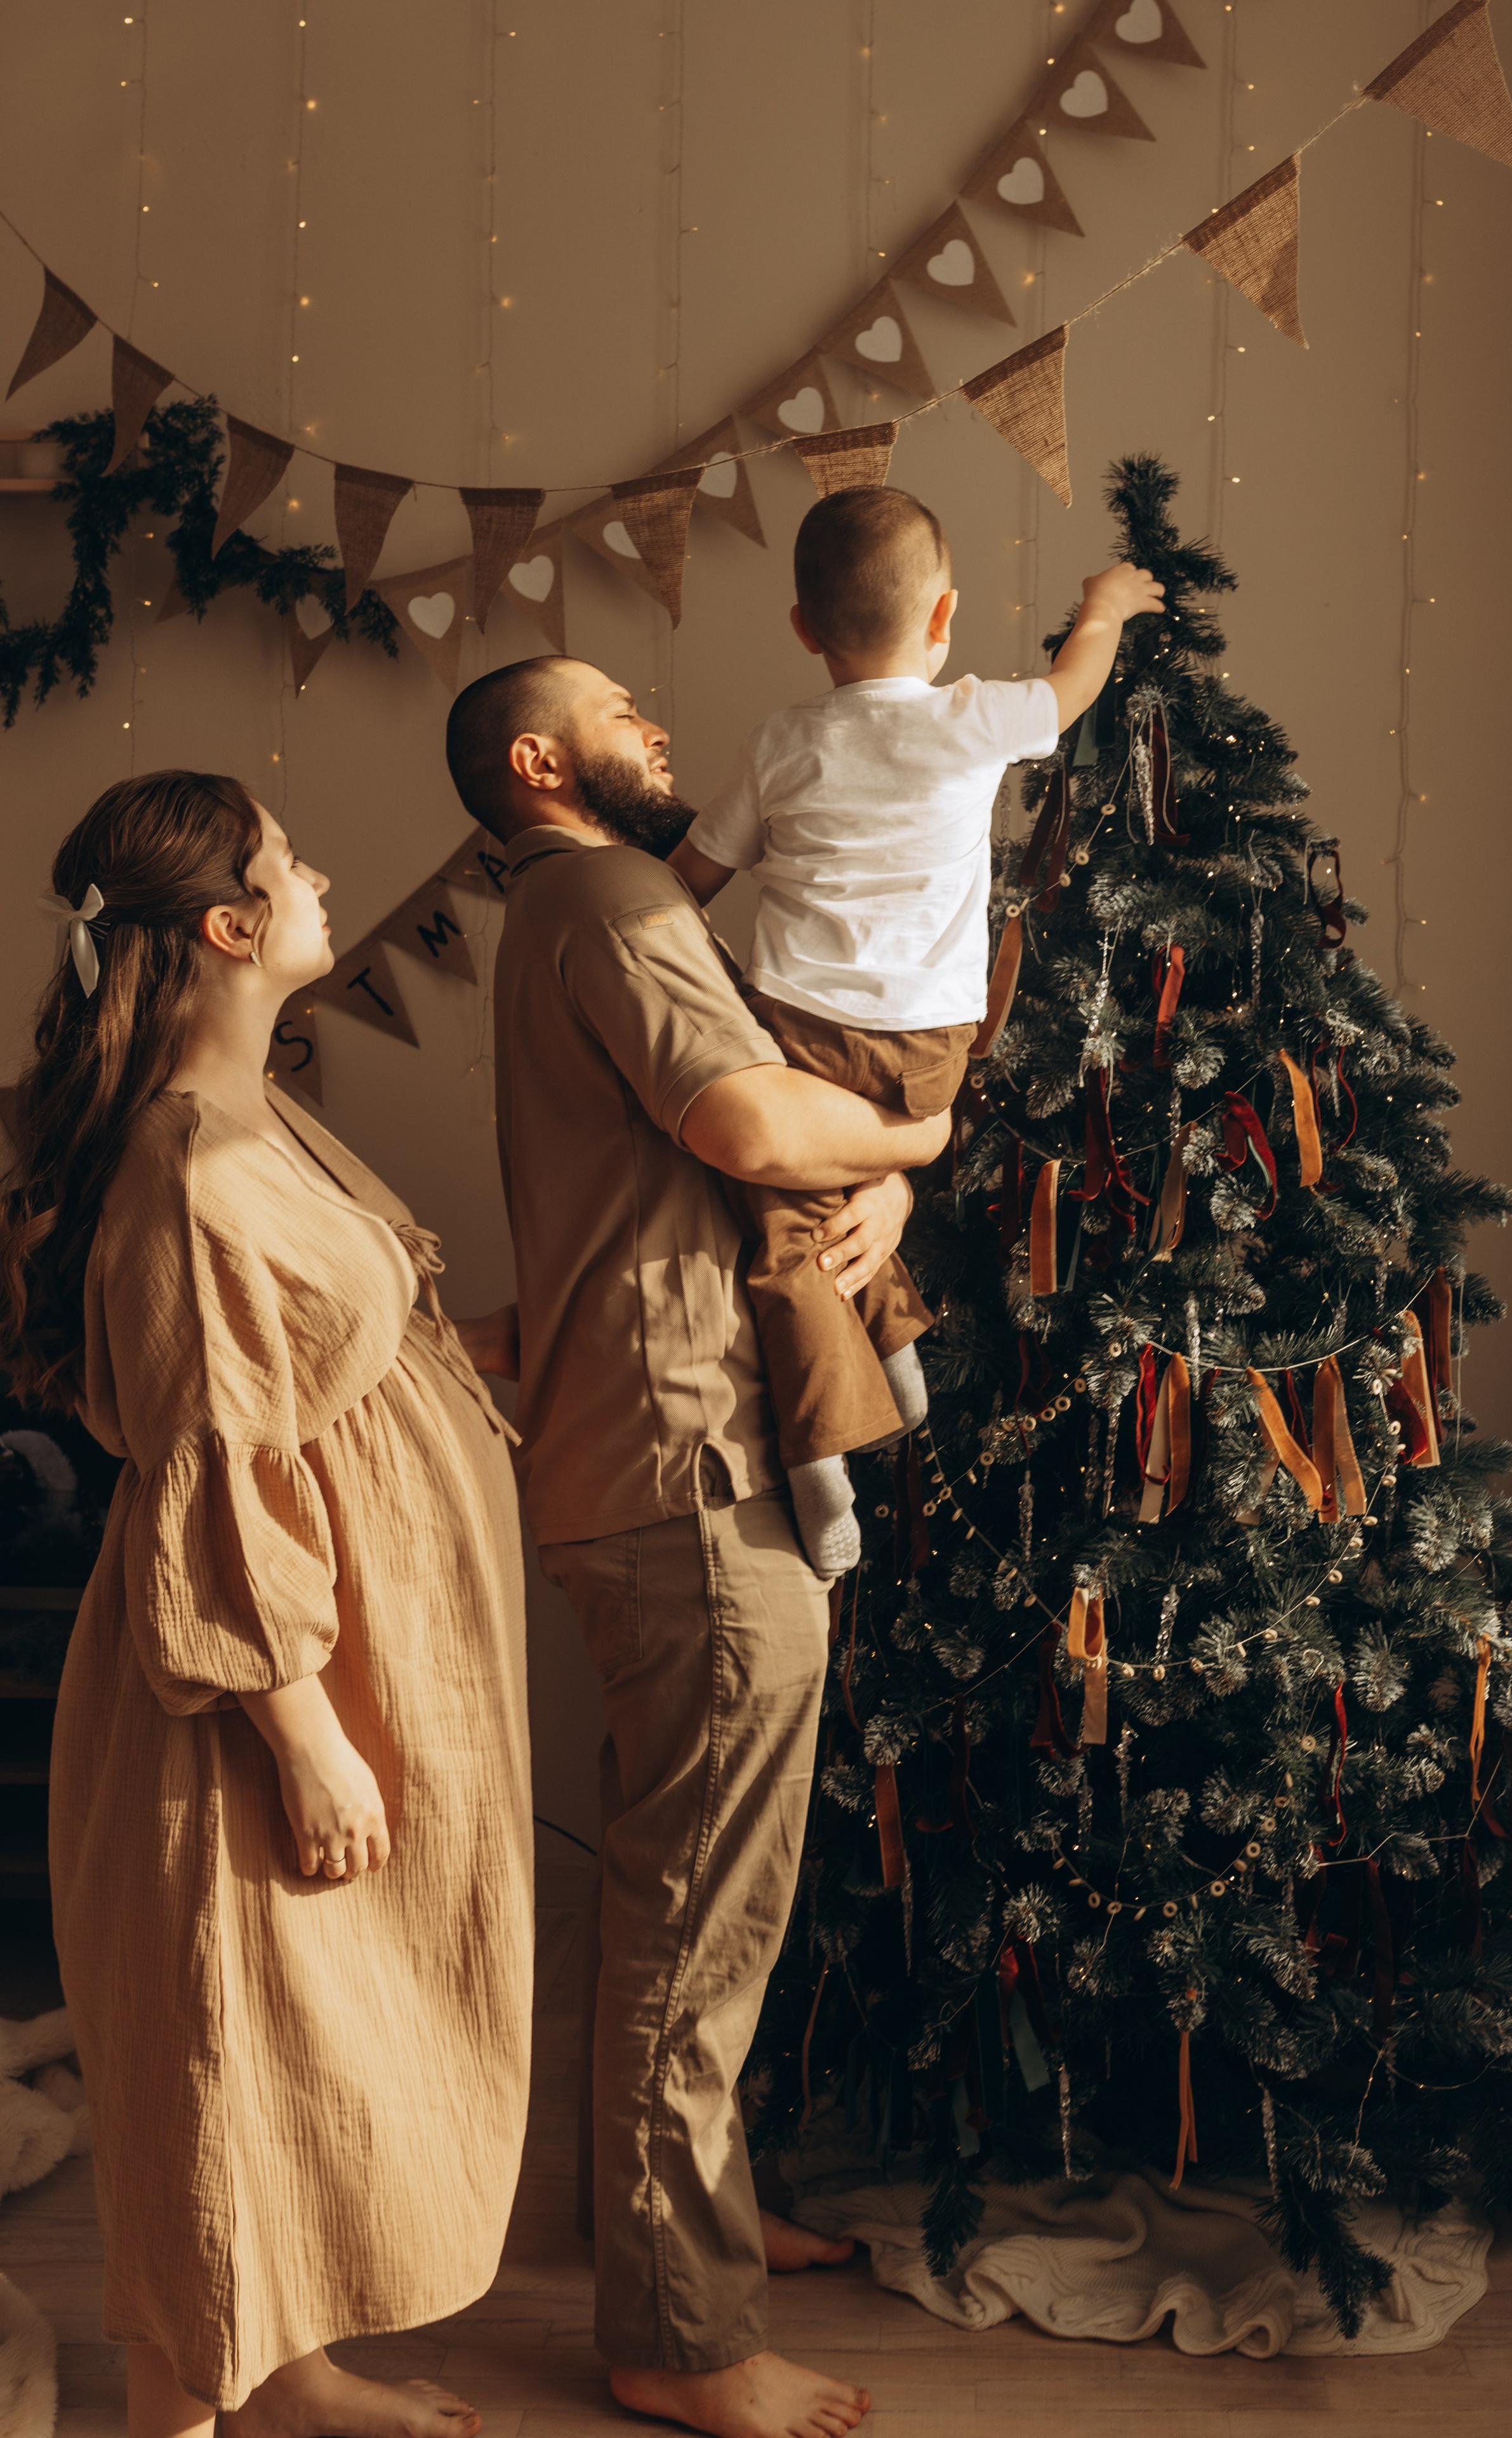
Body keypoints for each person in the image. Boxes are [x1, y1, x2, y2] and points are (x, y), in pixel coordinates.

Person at [444, 657, 949, 2438]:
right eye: (616, 707)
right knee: (697, 1919)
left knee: (691, 1888)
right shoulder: (609, 891)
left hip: (641, 1461)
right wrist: (920, 1136)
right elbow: (743, 1121)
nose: (656, 720)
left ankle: (684, 2231)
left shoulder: (564, 915)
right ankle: (675, 2330)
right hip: (687, 1466)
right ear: (539, 761)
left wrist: (862, 1179)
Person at [1, 772, 534, 2438]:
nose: (316, 882)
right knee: (225, 2057)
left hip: (339, 1654)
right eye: (287, 863)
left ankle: (290, 2368)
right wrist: (304, 1735)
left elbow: (334, 1361)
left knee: (304, 2049)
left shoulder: (256, 1109)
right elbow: (206, 1477)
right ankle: (182, 2405)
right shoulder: (187, 1168)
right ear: (230, 928)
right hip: (241, 1693)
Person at [668, 487, 1164, 1572]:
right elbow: (1075, 687)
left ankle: (824, 1448)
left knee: (790, 1228)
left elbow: (689, 882)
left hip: (800, 1026)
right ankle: (873, 1378)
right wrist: (1109, 605)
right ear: (943, 618)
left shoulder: (781, 740)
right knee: (846, 1195)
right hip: (930, 1052)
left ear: (803, 629)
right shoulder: (973, 717)